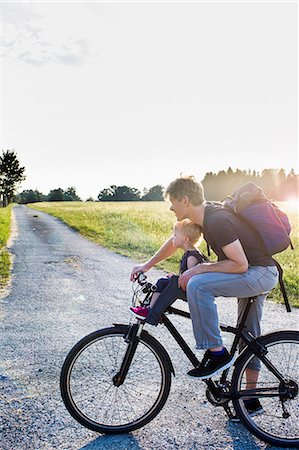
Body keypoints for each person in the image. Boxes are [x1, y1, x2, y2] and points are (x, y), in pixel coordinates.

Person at [131, 176, 278, 416]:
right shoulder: (204, 214)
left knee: (198, 284)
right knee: (249, 336)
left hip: (259, 273)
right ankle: (250, 400)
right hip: (256, 271)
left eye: (172, 202)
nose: (170, 208)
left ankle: (217, 353)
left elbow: (239, 265)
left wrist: (199, 268)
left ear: (185, 200)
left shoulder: (217, 220)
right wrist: (147, 265)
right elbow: (175, 240)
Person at [130, 219, 206, 320]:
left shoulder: (192, 257)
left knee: (169, 283)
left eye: (175, 235)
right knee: (162, 282)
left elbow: (192, 279)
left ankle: (152, 313)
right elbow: (185, 274)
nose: (172, 238)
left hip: (192, 291)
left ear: (186, 239)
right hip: (184, 287)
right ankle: (150, 308)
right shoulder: (189, 253)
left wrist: (176, 279)